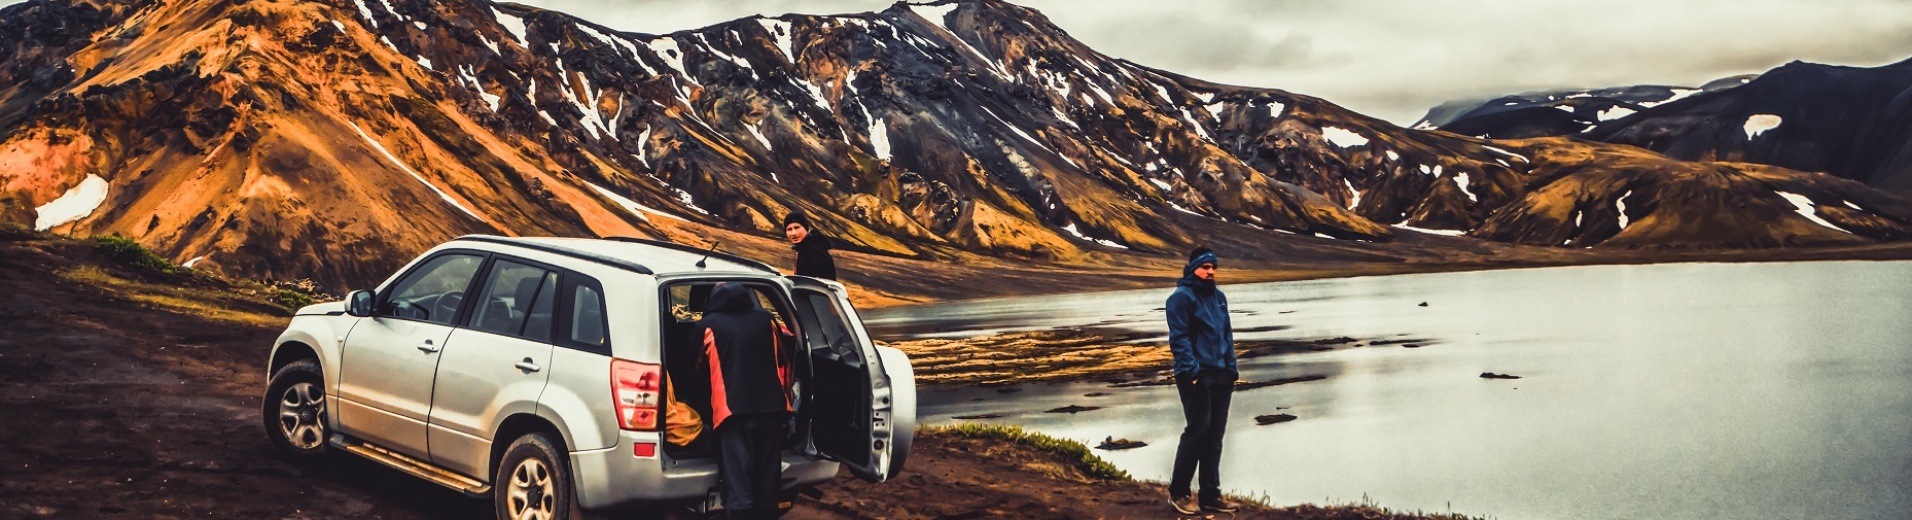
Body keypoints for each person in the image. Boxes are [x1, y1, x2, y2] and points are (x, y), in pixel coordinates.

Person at [699, 282, 794, 520]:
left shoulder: (709, 325)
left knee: (738, 478)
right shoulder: (767, 321)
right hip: (773, 408)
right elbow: (783, 358)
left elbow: (691, 370)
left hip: (733, 411)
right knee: (767, 475)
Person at [1164, 247, 1240, 515]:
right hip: (1196, 376)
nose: (1210, 271)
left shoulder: (1219, 298)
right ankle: (1179, 492)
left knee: (1215, 437)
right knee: (1198, 431)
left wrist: (1232, 368)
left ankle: (1210, 495)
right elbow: (1179, 339)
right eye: (1205, 267)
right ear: (1194, 267)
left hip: (1222, 375)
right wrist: (1192, 371)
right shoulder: (1181, 298)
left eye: (1213, 267)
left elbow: (1227, 335)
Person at [783, 211, 837, 280]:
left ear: (806, 228)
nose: (794, 233)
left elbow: (818, 286)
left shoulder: (814, 252)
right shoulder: (805, 249)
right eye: (789, 229)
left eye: (797, 227)